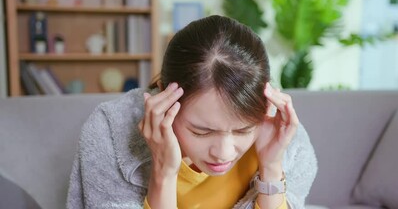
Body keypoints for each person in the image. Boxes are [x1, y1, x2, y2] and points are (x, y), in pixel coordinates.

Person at [66, 15, 317, 209]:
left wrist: (272, 166)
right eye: (202, 131)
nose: (223, 153)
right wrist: (163, 174)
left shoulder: (282, 135)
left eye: (243, 130)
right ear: (164, 95)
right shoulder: (110, 134)